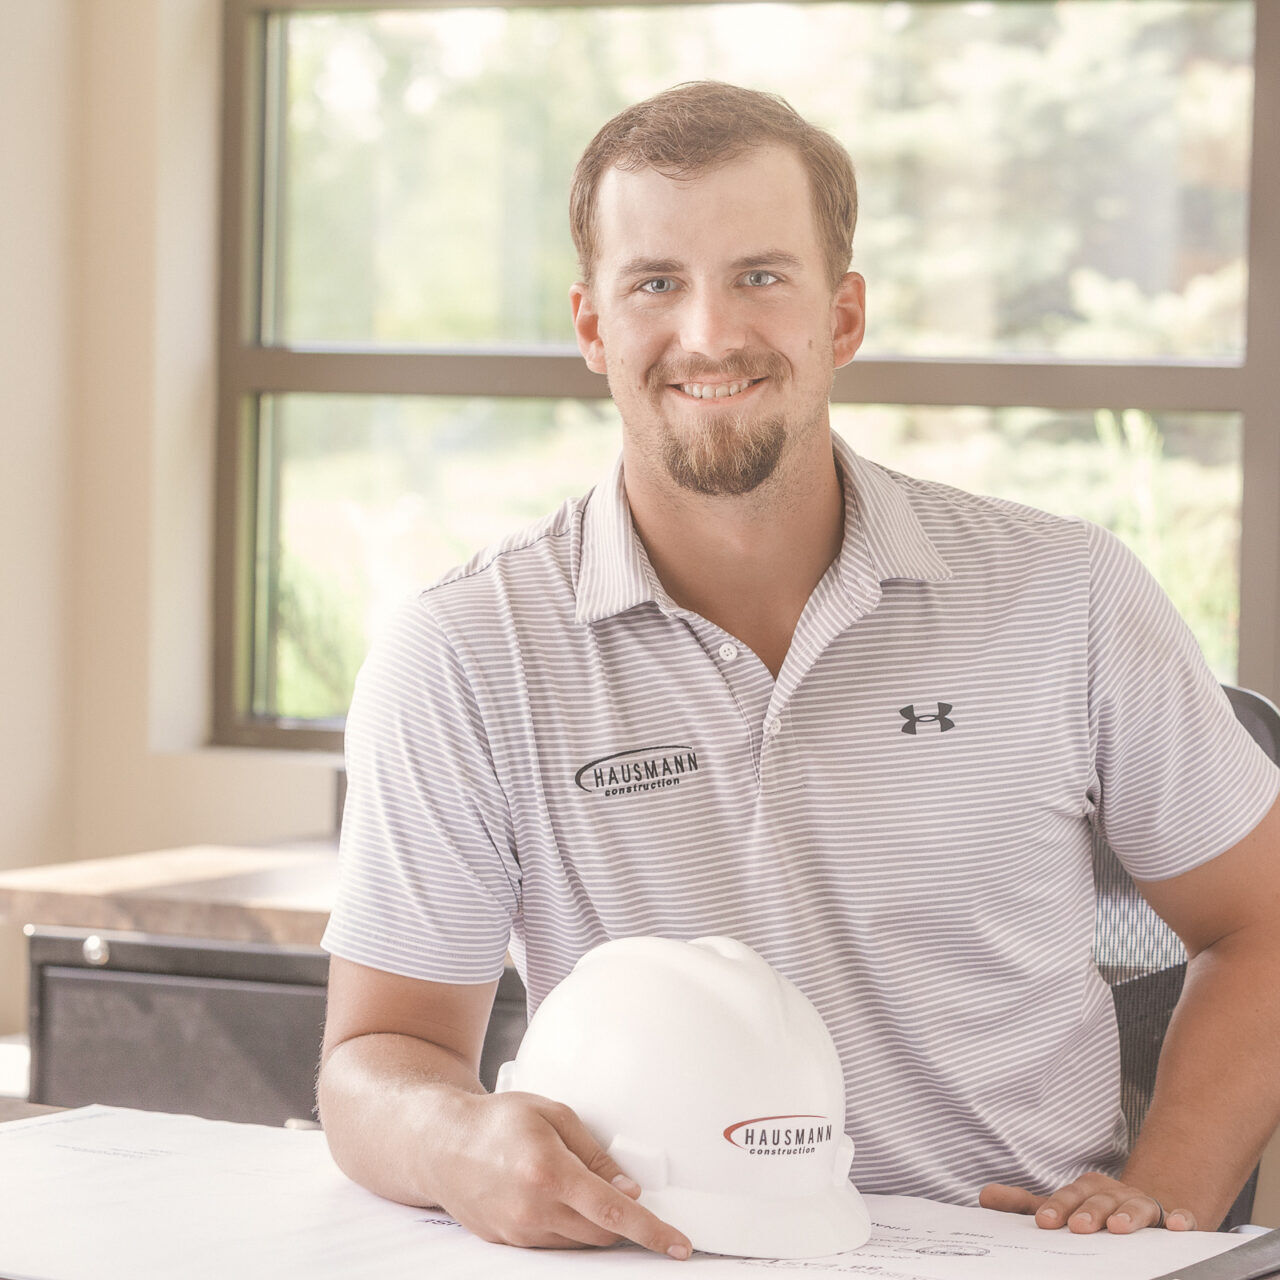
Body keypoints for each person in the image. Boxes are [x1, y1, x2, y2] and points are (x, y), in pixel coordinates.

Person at [316, 82, 1280, 1259]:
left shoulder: (1066, 595)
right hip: (658, 1251)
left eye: (760, 276)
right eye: (655, 282)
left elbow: (1261, 922)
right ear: (590, 326)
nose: (710, 333)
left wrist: (1159, 1202)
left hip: (1009, 1252)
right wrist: (453, 1141)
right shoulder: (463, 651)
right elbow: (375, 1060)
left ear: (841, 315)